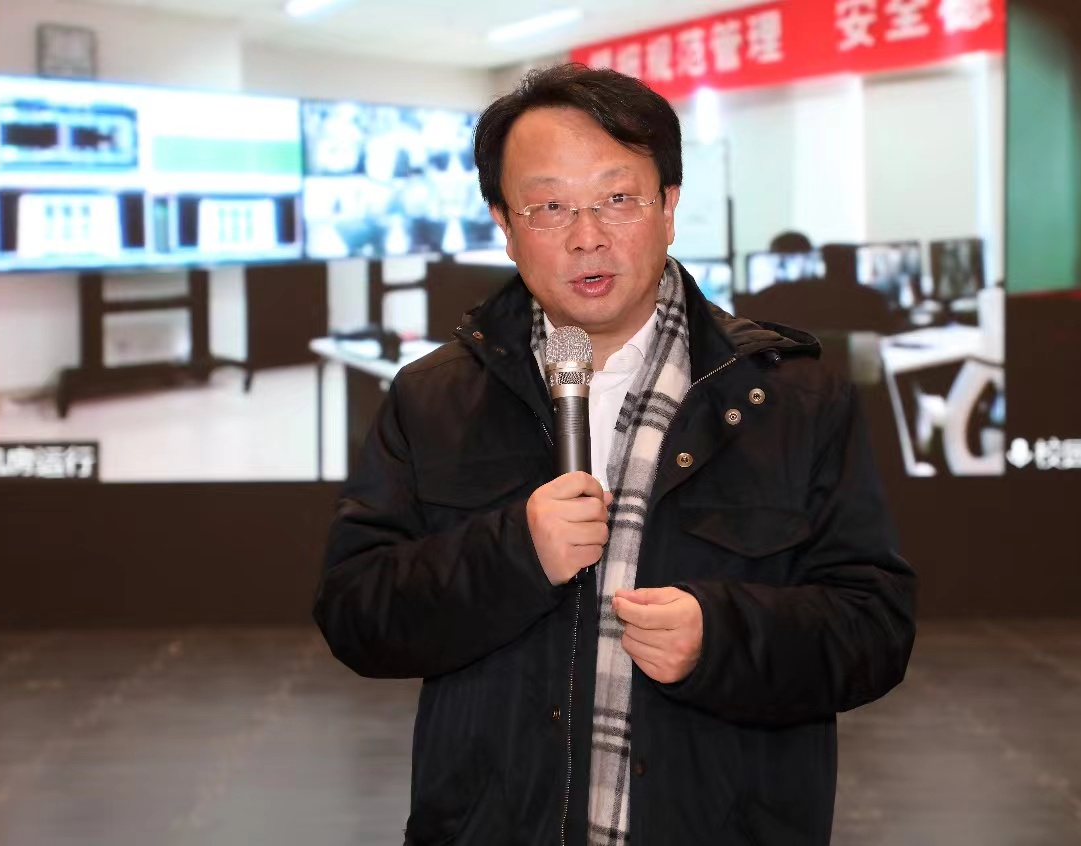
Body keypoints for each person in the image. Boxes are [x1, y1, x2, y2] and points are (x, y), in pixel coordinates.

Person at [313, 63, 916, 846]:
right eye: (549, 206)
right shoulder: (433, 397)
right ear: (503, 224)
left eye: (617, 199)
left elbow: (873, 630)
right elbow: (357, 616)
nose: (586, 236)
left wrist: (720, 637)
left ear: (668, 206)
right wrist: (512, 554)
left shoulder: (791, 398)